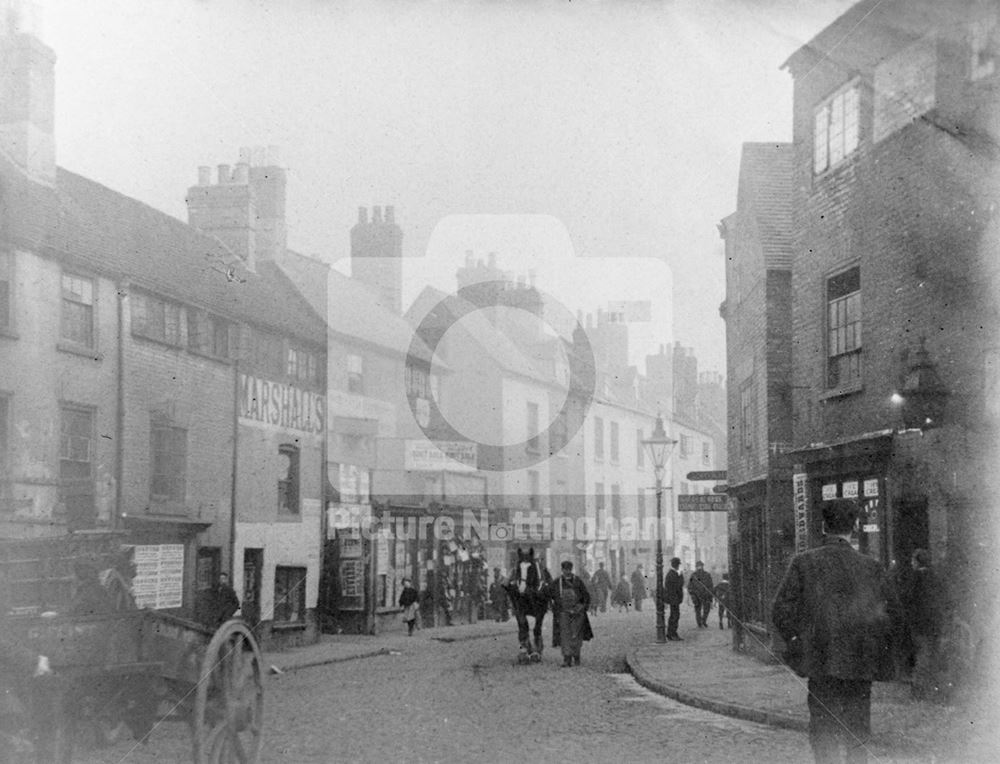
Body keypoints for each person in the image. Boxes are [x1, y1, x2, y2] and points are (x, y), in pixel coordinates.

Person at [772, 499, 900, 764]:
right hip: (860, 665)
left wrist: (798, 642)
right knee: (858, 733)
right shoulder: (872, 567)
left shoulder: (804, 563)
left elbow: (781, 610)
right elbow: (890, 616)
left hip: (820, 664)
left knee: (823, 732)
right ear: (855, 526)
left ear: (822, 526)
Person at [902, 549, 942, 700]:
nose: (911, 563)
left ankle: (919, 690)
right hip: (935, 623)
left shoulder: (915, 579)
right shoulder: (935, 577)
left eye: (913, 560)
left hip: (920, 624)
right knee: (931, 655)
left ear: (917, 562)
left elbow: (907, 599)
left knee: (922, 656)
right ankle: (933, 689)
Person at [550, 561, 593, 666]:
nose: (567, 572)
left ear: (571, 570)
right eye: (565, 570)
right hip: (563, 613)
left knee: (576, 635)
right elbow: (550, 596)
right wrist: (555, 609)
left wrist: (582, 608)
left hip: (577, 614)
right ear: (562, 570)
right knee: (565, 636)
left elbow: (586, 596)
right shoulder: (557, 583)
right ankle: (567, 658)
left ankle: (576, 656)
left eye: (569, 569)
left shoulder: (578, 581)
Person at [688, 561, 714, 628]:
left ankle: (704, 621)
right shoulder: (693, 575)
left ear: (703, 566)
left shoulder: (707, 575)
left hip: (706, 595)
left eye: (701, 566)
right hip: (697, 595)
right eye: (698, 566)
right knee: (697, 610)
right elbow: (690, 586)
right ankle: (699, 623)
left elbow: (711, 585)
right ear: (696, 567)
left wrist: (709, 594)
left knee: (707, 609)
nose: (699, 567)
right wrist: (692, 594)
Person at [664, 557, 684, 640]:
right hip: (674, 598)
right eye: (678, 565)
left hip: (673, 598)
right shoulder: (673, 574)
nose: (679, 566)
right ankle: (672, 633)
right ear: (676, 565)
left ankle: (671, 633)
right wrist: (681, 576)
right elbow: (678, 586)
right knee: (675, 616)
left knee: (674, 615)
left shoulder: (671, 573)